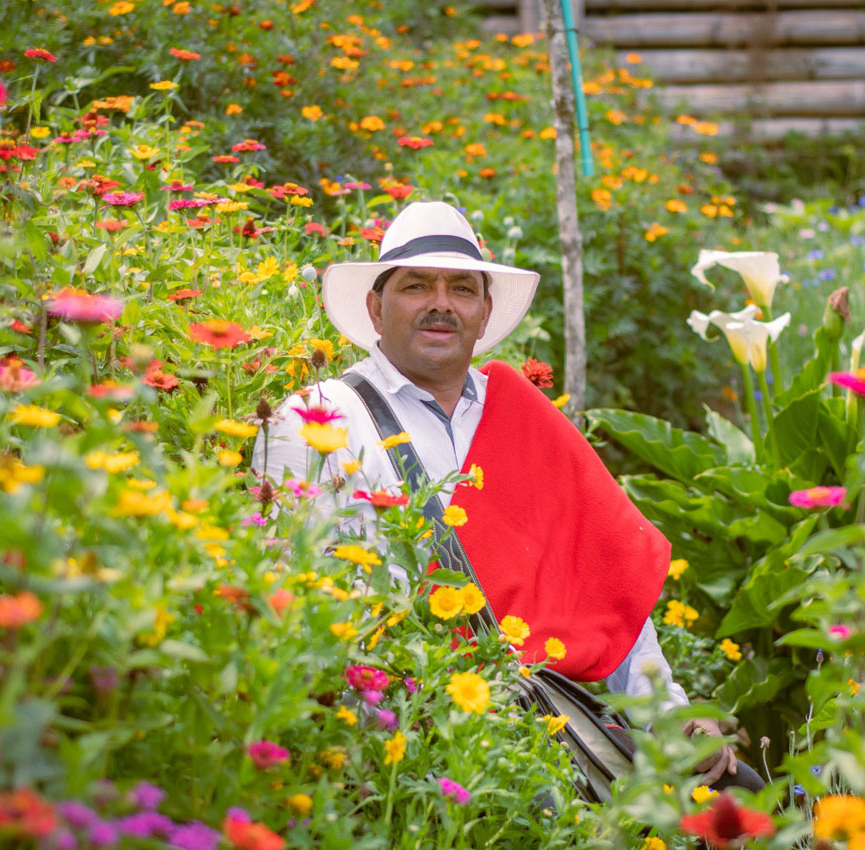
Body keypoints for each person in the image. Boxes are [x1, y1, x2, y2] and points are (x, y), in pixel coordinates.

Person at [250, 201, 763, 791]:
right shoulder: (314, 419)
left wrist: (667, 712)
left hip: (534, 756)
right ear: (375, 306)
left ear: (484, 311)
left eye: (462, 288)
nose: (441, 302)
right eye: (417, 285)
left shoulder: (525, 418)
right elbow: (292, 601)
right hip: (391, 757)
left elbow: (603, 589)